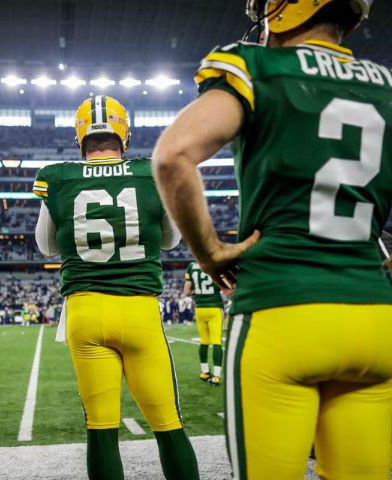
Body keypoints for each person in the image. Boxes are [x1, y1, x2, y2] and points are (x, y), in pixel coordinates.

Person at [152, 1, 392, 478]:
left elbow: (172, 156)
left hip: (280, 310)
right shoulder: (386, 84)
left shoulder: (257, 67)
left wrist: (212, 253)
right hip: (375, 320)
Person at [34, 95, 199, 480]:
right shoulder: (149, 172)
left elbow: (46, 245)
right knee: (168, 424)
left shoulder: (57, 177)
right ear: (124, 135)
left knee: (101, 429)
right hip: (138, 311)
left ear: (80, 138)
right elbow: (172, 240)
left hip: (84, 312)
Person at [183, 262, 225, 386]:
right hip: (214, 306)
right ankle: (216, 376)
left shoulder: (191, 266)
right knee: (216, 341)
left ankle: (205, 372)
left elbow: (187, 292)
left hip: (200, 308)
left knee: (204, 341)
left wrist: (198, 291)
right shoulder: (216, 263)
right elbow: (226, 286)